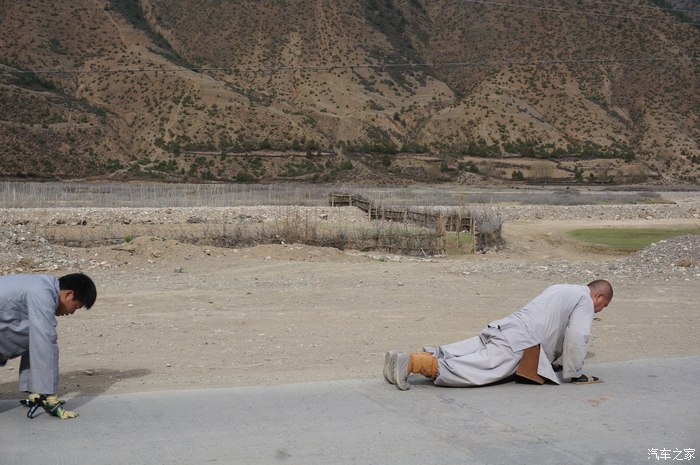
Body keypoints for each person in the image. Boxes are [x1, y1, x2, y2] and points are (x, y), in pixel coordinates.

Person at [384, 280, 613, 390]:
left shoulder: (561, 288)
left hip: (506, 326)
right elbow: (578, 336)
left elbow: (553, 326)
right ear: (599, 297)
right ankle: (411, 363)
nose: (600, 311)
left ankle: (399, 359)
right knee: (475, 369)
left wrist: (556, 363)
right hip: (521, 340)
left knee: (460, 352)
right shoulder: (584, 300)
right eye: (603, 306)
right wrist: (574, 373)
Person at [0, 272, 97, 419]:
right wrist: (51, 396)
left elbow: (34, 335)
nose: (72, 312)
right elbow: (45, 341)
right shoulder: (43, 294)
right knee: (43, 336)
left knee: (33, 332)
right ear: (69, 294)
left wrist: (37, 390)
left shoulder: (43, 286)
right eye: (75, 307)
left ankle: (36, 391)